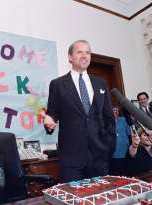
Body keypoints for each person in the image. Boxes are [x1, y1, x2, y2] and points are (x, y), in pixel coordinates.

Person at [42, 40, 116, 182]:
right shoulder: (57, 84)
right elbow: (51, 116)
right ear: (70, 57)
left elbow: (108, 117)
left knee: (100, 198)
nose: (84, 55)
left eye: (88, 52)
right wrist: (49, 122)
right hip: (71, 159)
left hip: (99, 156)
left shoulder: (101, 83)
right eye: (80, 52)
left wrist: (108, 144)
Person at [110, 106, 131, 176]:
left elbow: (128, 132)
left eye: (117, 110)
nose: (115, 112)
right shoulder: (106, 121)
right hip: (113, 149)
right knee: (115, 170)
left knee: (125, 169)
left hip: (124, 147)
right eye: (113, 110)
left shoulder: (123, 119)